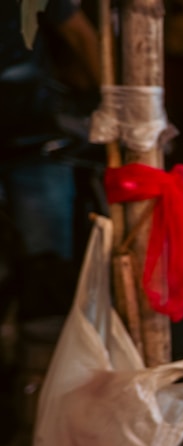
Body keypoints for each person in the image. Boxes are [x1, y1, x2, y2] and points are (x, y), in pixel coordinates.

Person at [0, 0, 100, 321]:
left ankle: (42, 356)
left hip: (32, 130)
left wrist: (110, 105)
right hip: (32, 127)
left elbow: (79, 35)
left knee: (49, 264)